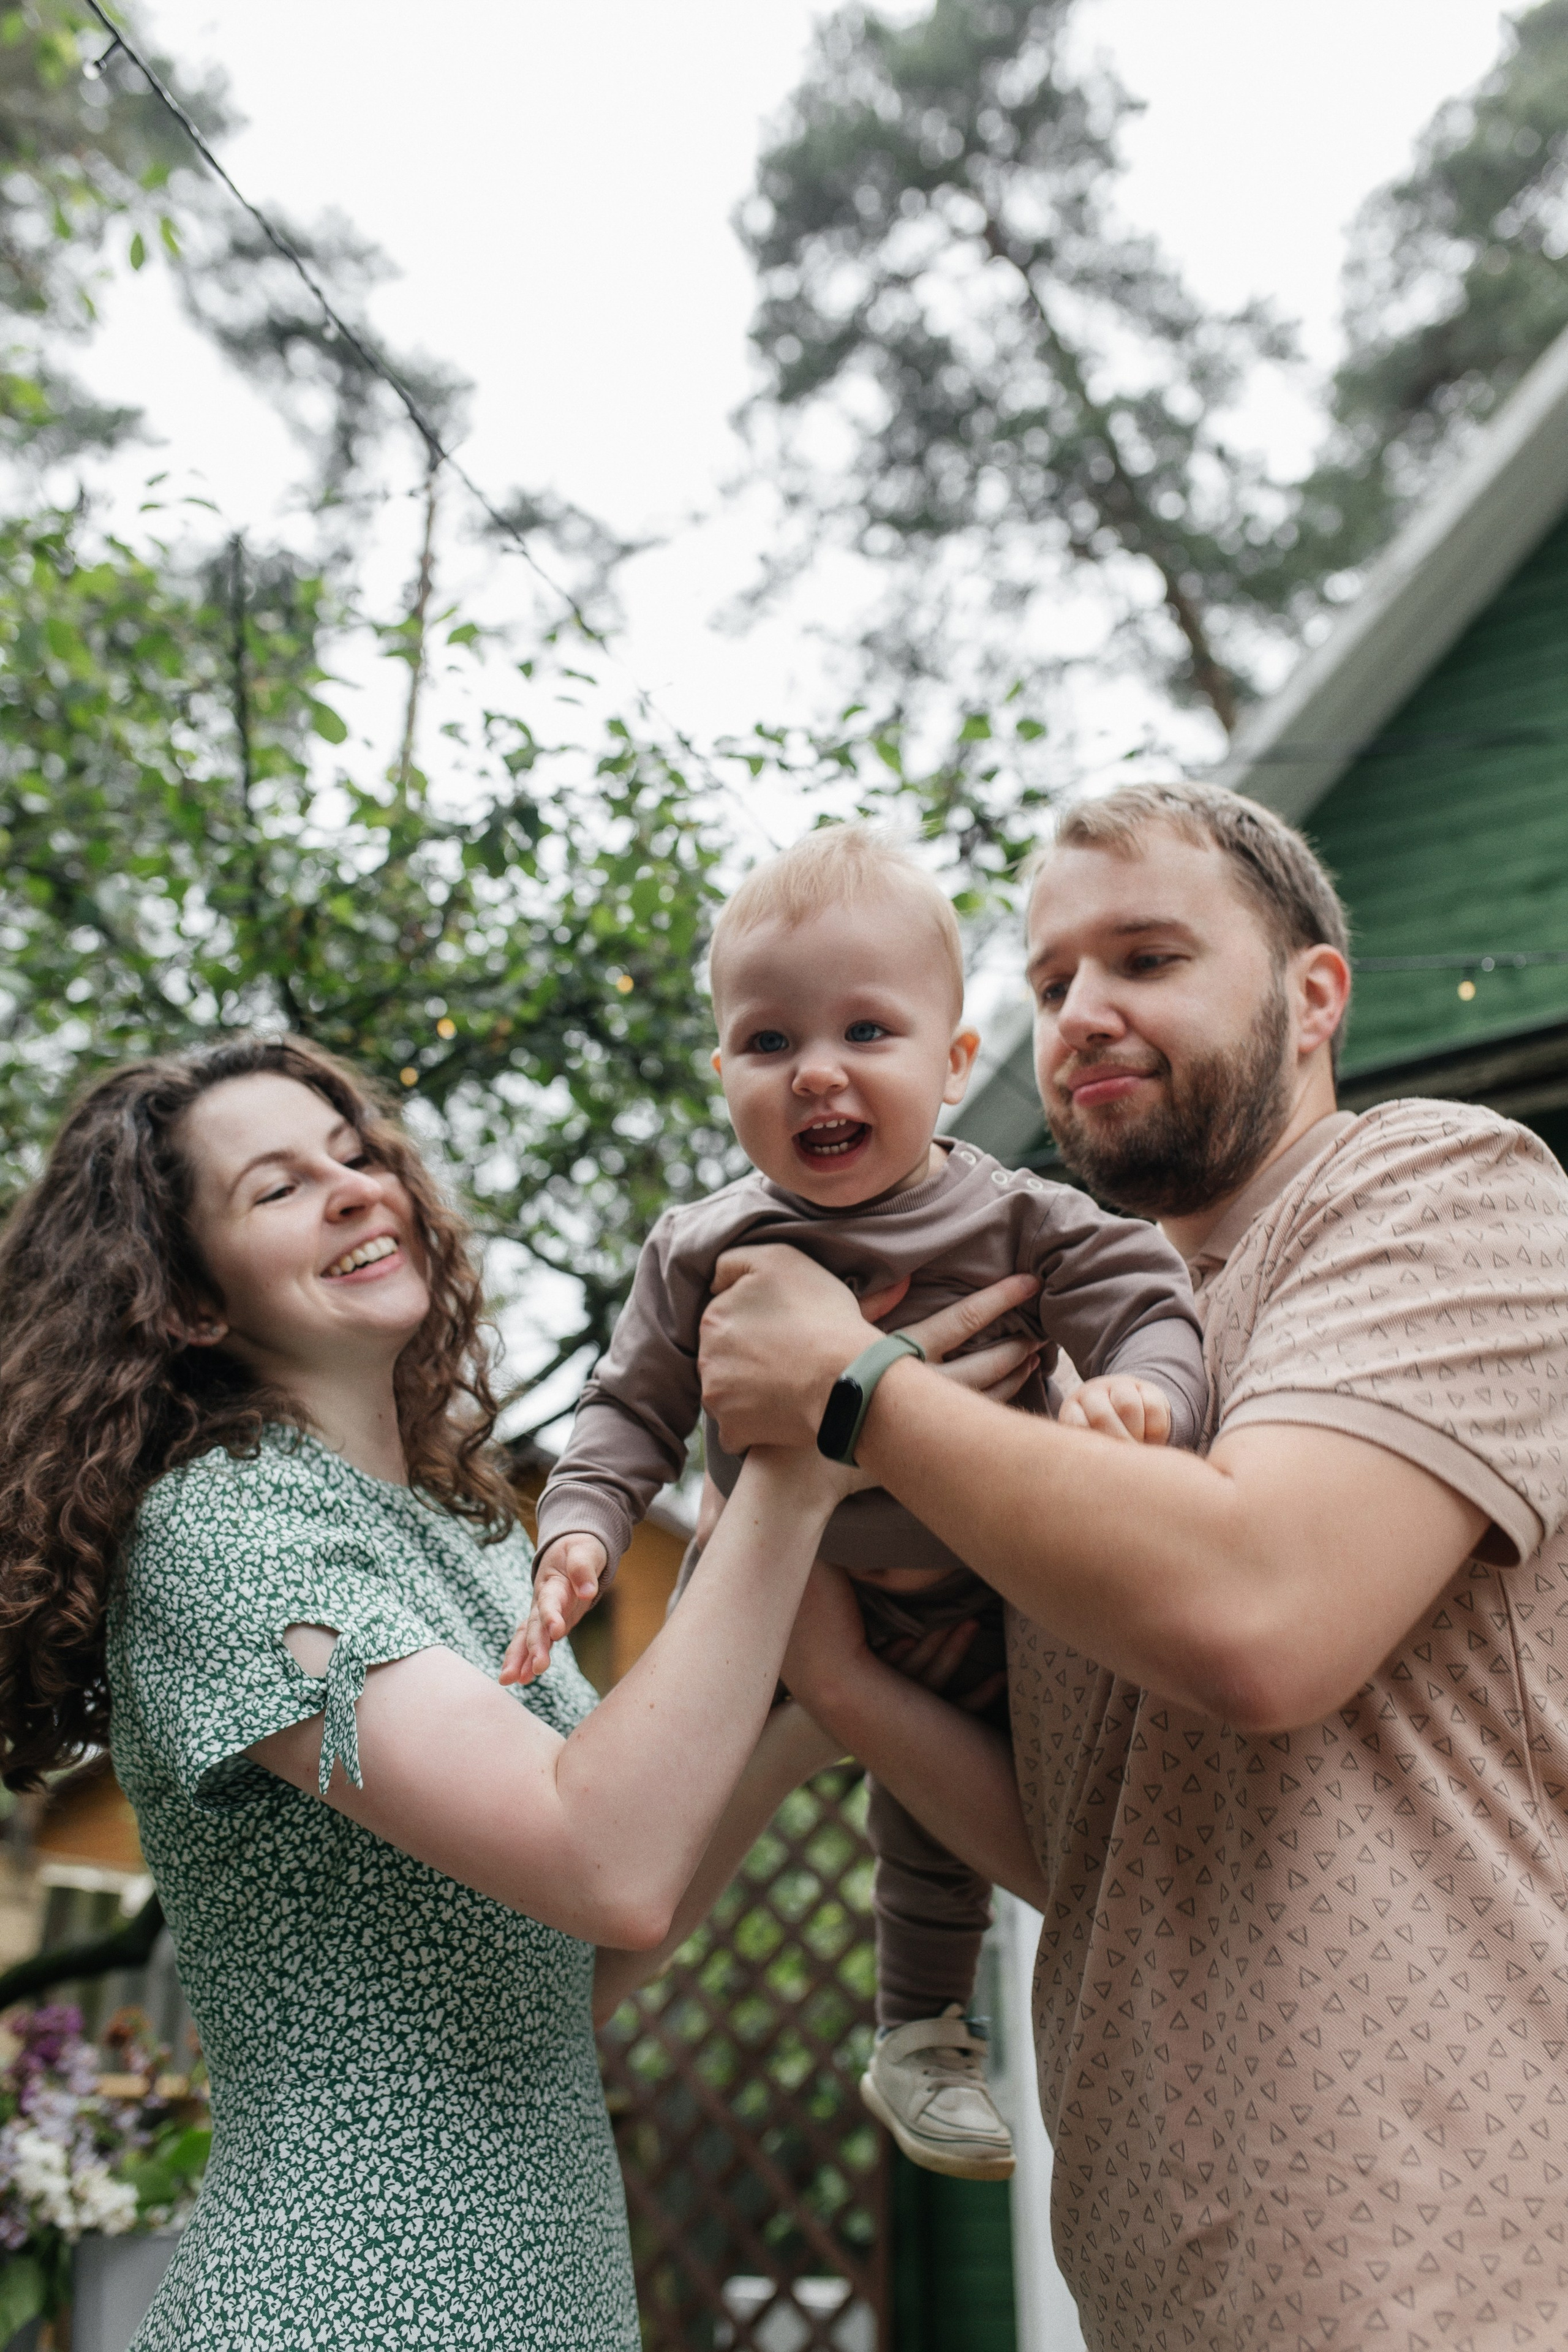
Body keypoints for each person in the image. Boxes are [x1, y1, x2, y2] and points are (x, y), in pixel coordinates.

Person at [0, 1033, 1041, 2352]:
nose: (355, 1189)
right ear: (191, 1302)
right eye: (279, 1188)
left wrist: (809, 1708)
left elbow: (573, 1961)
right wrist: (806, 1455)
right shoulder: (223, 1535)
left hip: (547, 2298)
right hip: (347, 2305)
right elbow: (604, 1861)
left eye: (356, 1154)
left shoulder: (477, 1531)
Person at [695, 780, 1568, 2351]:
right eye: (1048, 984)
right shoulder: (1052, 1380)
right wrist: (831, 1669)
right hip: (1156, 2272)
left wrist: (852, 1387)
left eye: (1145, 959)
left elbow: (1263, 1620)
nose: (1081, 1014)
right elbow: (1085, 1850)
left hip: (1453, 2255)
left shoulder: (1437, 1186)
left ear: (1313, 997)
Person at [513, 823, 1206, 2184]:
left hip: (986, 1597)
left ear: (953, 1062)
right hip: (774, 1600)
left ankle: (921, 2033)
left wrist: (1147, 1395)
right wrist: (582, 1526)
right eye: (767, 1042)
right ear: (722, 1073)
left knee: (944, 1825)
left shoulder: (1021, 1220)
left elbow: (1147, 1299)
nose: (816, 1071)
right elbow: (628, 1406)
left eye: (865, 1031)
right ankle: (540, 2015)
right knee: (660, 1814)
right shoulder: (703, 1244)